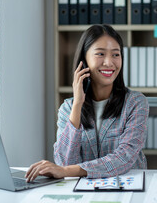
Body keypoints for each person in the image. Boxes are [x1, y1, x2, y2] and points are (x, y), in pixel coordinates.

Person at [25, 24, 149, 182]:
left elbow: (124, 158)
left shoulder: (135, 103)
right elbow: (64, 163)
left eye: (116, 55)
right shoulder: (67, 109)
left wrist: (67, 170)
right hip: (85, 192)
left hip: (129, 186)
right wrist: (77, 105)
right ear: (84, 61)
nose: (109, 62)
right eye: (100, 54)